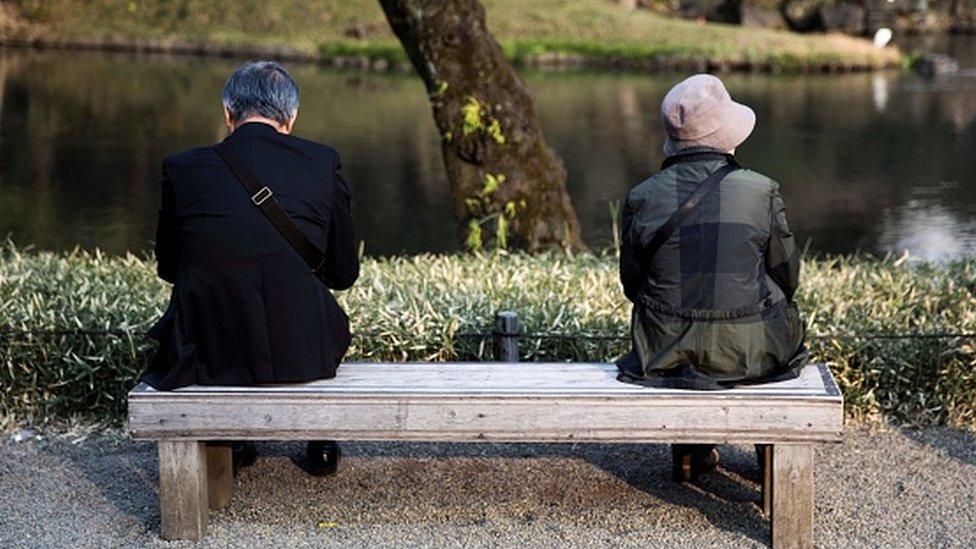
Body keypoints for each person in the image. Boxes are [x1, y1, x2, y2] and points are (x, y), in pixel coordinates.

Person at [142, 60, 359, 475]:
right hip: (305, 351)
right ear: (291, 117)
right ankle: (321, 440)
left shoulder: (183, 168)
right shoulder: (322, 161)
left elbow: (170, 268)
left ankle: (234, 442)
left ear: (228, 114)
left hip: (207, 350)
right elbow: (344, 274)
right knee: (316, 310)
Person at [616, 74, 807, 482]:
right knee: (776, 312)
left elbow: (633, 286)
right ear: (727, 137)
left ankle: (691, 453)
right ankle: (768, 452)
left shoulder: (640, 196)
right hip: (752, 349)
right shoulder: (761, 191)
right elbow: (787, 276)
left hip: (663, 349)